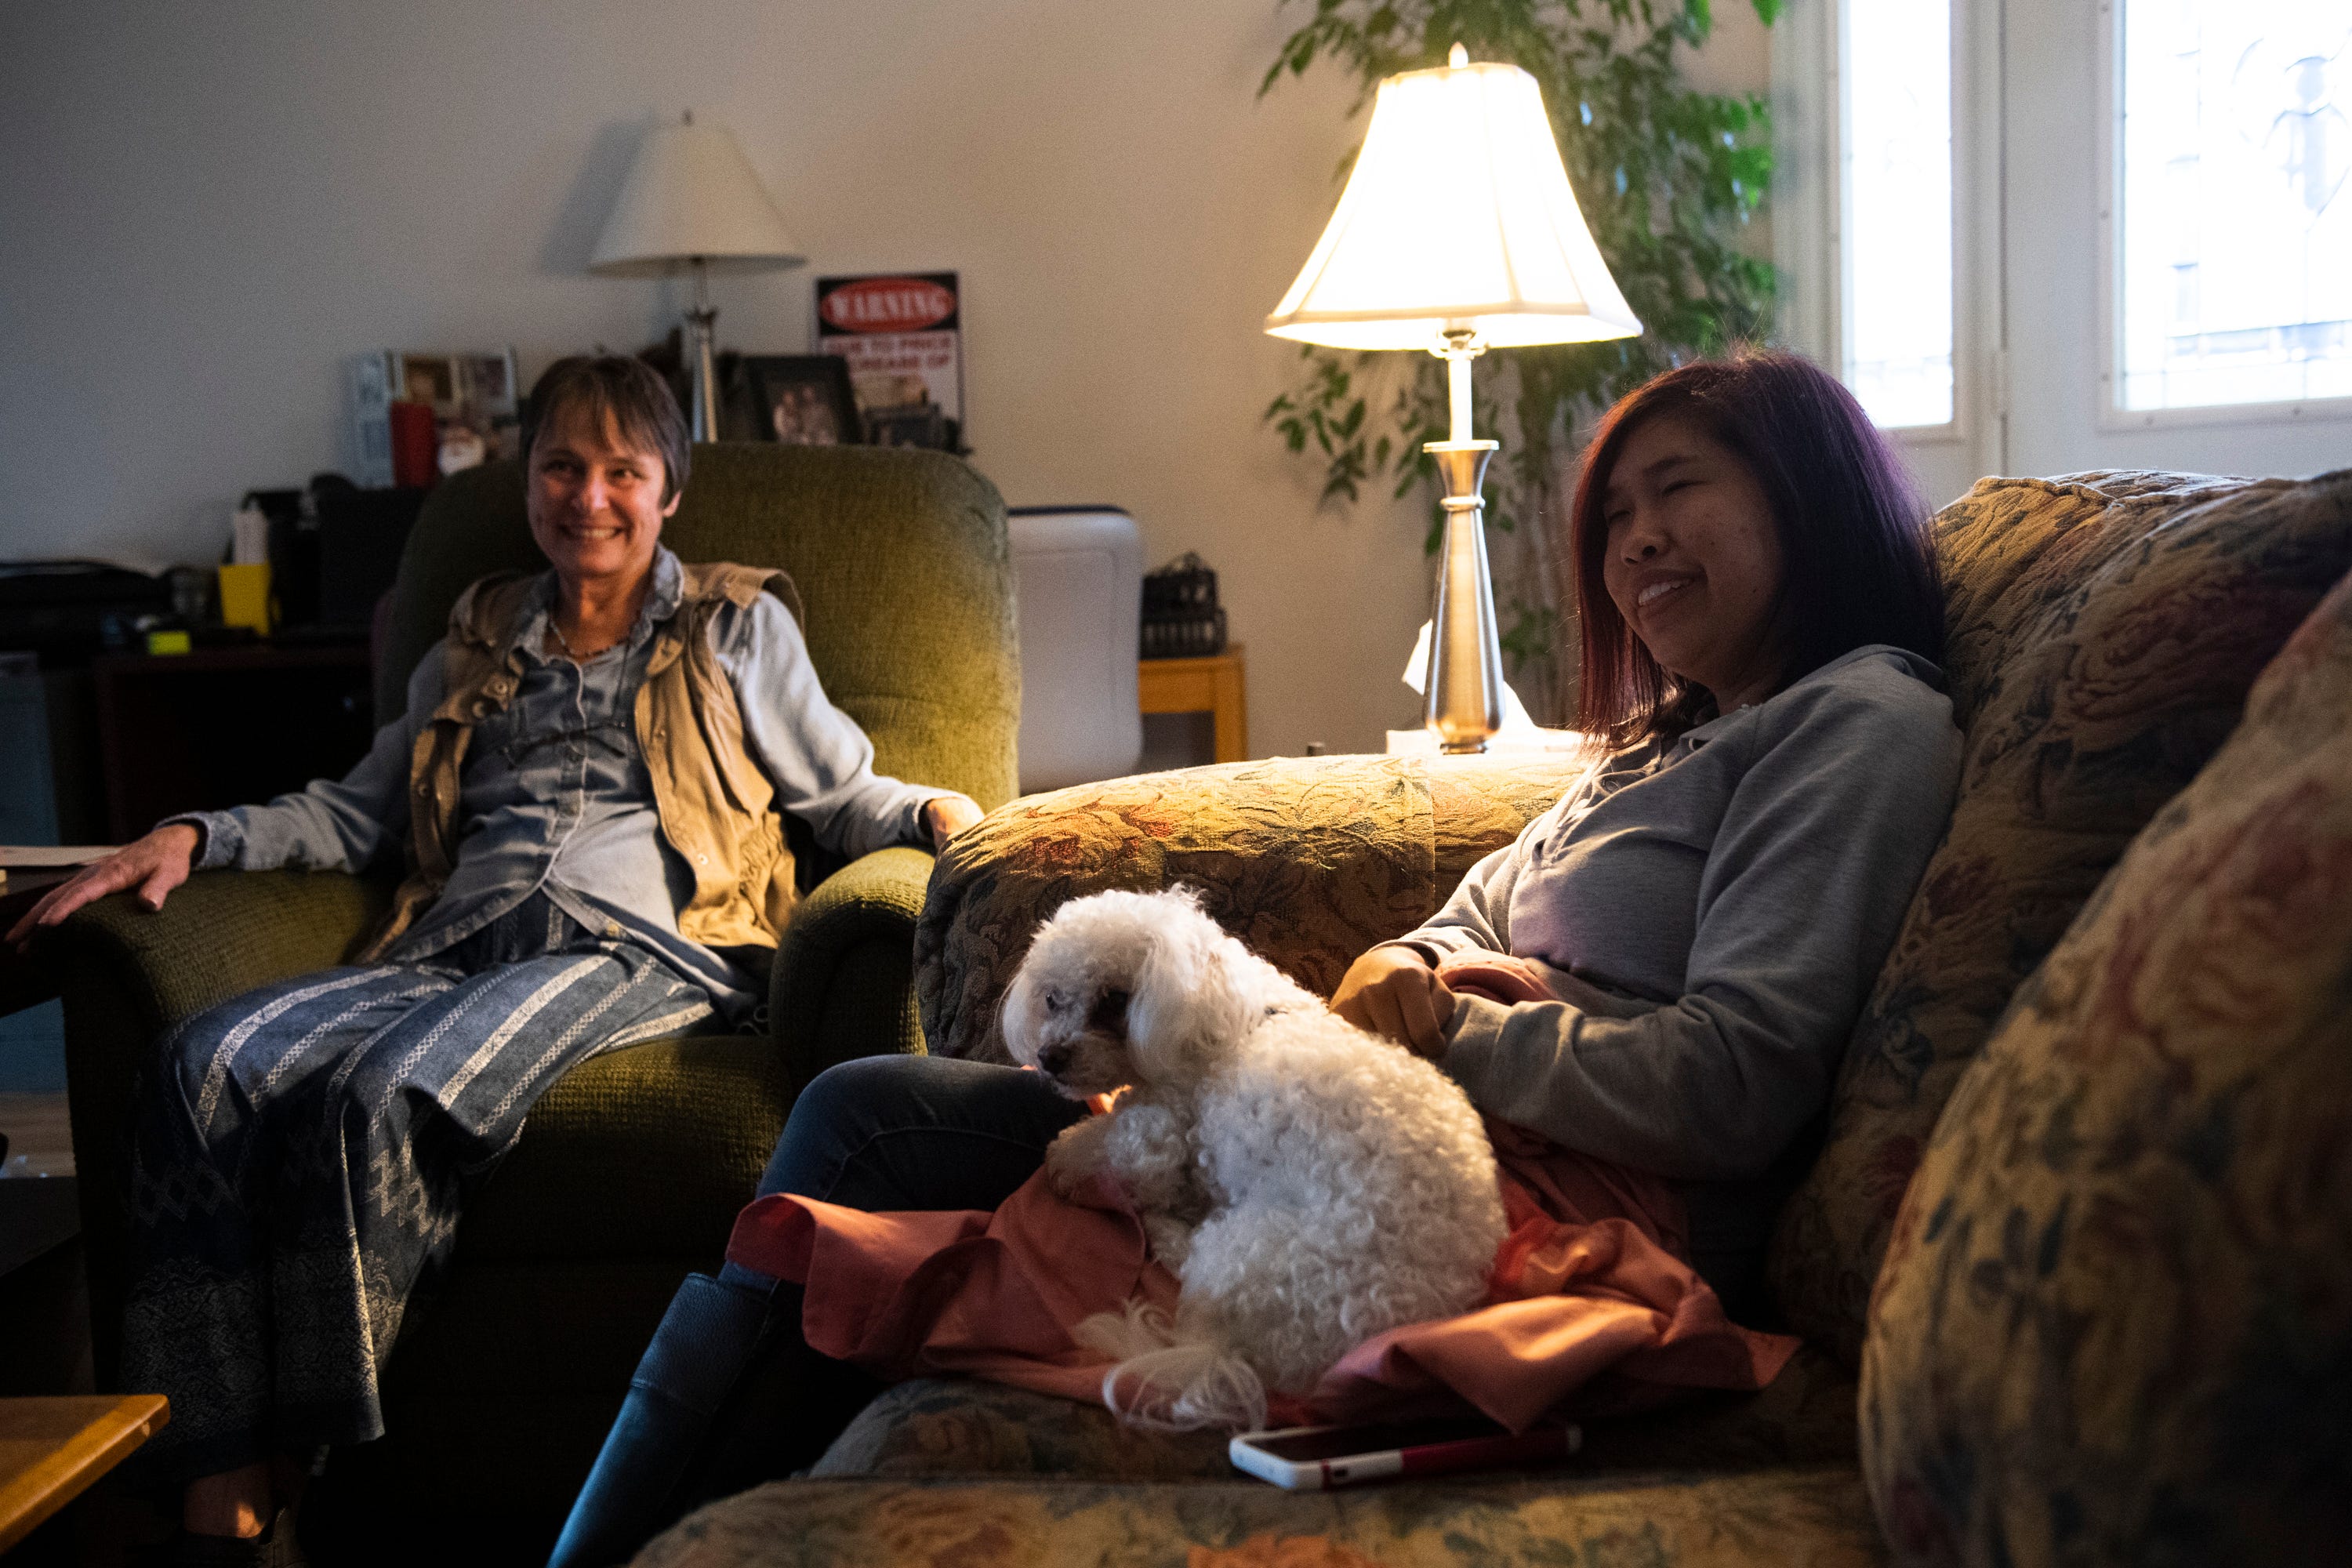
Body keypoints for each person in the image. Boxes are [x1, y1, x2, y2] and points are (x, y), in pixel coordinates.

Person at [546, 350, 1965, 1566]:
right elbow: (1459, 921)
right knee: (876, 1123)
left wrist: (1448, 1033)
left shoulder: (1855, 724)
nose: (1639, 539)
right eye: (1620, 514)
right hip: (1396, 1110)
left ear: (1807, 493)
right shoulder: (1664, 743)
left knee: (869, 1125)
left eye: (1683, 490)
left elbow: (1740, 1081)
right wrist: (1403, 976)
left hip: (1541, 1182)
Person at [8, 354, 984, 1565]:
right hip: (451, 942)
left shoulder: (735, 622)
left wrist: (937, 815)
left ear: (667, 491)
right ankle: (217, 1463)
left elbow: (843, 793)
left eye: (622, 471)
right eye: (563, 467)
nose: (590, 497)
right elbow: (355, 812)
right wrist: (198, 834)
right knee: (200, 1067)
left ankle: (303, 1473)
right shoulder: (473, 636)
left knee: (383, 1093)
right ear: (529, 482)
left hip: (644, 949)